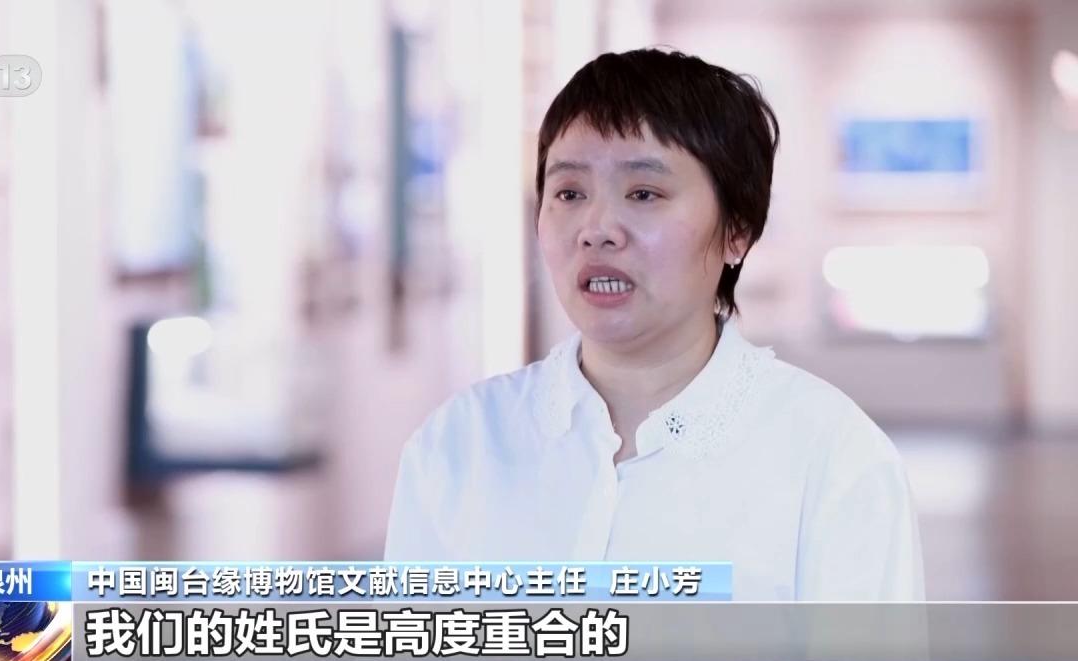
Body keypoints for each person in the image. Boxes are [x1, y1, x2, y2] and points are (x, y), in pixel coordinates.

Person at [382, 48, 925, 601]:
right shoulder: (458, 444)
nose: (597, 229)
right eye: (569, 193)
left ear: (737, 230)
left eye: (644, 194)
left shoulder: (833, 458)